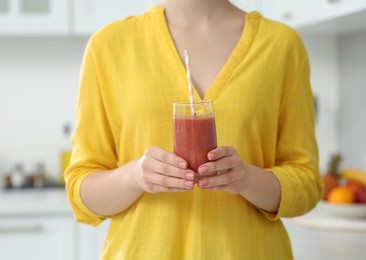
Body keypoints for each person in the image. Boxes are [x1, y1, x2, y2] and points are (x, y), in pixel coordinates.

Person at [65, 0, 323, 259]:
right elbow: (81, 191)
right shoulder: (109, 45)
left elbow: (307, 184)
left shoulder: (281, 45)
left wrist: (245, 178)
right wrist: (135, 176)